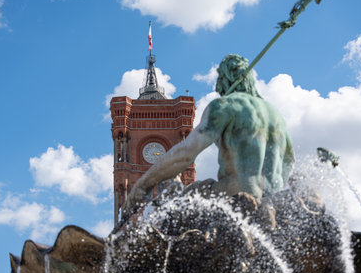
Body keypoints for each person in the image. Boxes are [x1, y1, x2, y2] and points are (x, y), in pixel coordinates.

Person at [123, 54, 295, 215]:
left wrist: (142, 184)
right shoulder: (276, 115)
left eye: (219, 80)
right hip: (272, 203)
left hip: (236, 197)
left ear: (226, 78)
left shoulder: (225, 106)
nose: (217, 87)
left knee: (180, 198)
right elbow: (289, 161)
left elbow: (185, 155)